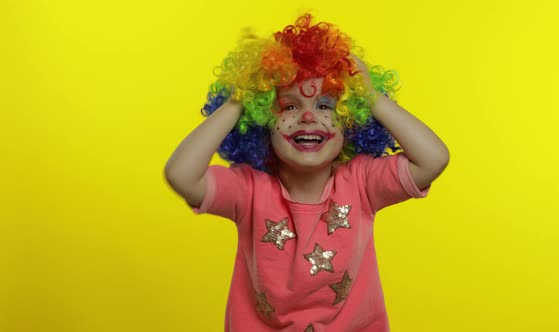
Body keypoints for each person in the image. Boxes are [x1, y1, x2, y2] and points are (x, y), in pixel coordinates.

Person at [164, 13, 449, 332]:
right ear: (262, 122)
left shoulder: (361, 183)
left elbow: (433, 159)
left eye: (326, 106)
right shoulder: (249, 191)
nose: (309, 117)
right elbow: (181, 175)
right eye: (289, 107)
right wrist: (238, 100)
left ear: (350, 121)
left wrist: (372, 97)